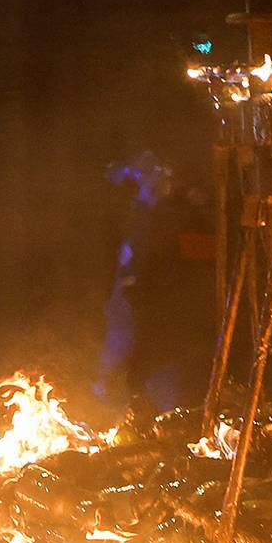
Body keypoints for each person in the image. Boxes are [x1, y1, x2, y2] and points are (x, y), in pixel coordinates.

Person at [97, 152, 214, 425]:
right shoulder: (142, 209)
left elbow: (199, 259)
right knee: (133, 358)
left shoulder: (183, 212)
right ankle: (129, 412)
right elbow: (133, 251)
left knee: (168, 364)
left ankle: (170, 420)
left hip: (173, 304)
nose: (152, 182)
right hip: (142, 299)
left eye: (158, 174)